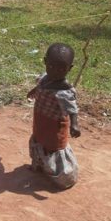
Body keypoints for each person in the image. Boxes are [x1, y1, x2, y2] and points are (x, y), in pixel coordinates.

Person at [28, 43, 81, 189]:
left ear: (69, 68)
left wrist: (74, 125)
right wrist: (34, 91)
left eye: (61, 69)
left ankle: (63, 178)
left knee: (54, 148)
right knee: (40, 141)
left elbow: (72, 109)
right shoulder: (44, 78)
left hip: (55, 126)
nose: (55, 72)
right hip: (41, 120)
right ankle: (41, 166)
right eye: (51, 66)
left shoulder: (65, 91)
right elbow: (40, 86)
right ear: (45, 62)